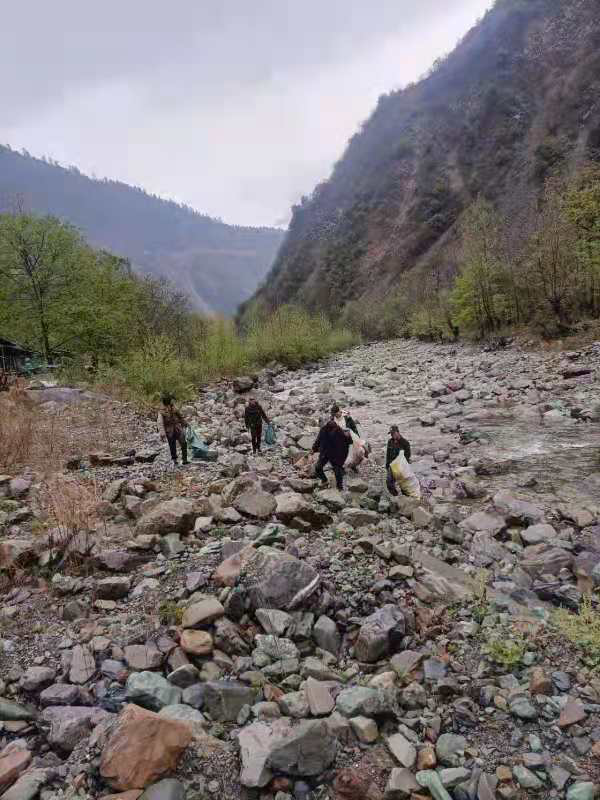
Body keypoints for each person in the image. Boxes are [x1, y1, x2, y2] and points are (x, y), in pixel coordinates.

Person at [312, 404, 352, 490]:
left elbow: (348, 442)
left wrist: (348, 436)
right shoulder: (324, 429)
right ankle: (325, 481)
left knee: (337, 471)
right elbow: (318, 440)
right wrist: (313, 449)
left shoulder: (338, 430)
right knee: (318, 468)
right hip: (326, 452)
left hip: (335, 454)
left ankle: (339, 487)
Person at [157, 394, 188, 466]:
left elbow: (180, 416)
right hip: (169, 430)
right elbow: (160, 423)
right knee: (172, 445)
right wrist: (162, 433)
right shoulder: (161, 411)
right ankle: (175, 460)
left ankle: (185, 459)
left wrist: (184, 423)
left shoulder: (173, 407)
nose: (172, 401)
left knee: (183, 442)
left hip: (177, 428)